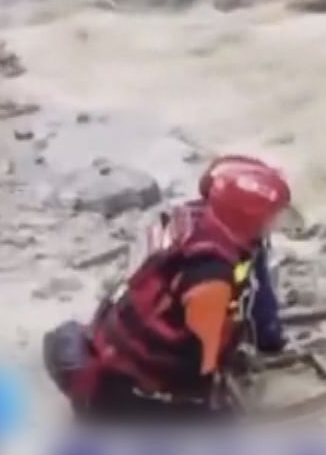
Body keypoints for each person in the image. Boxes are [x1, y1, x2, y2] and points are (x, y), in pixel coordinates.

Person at [46, 155, 293, 423]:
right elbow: (203, 367)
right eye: (272, 215)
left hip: (110, 350)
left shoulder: (196, 218)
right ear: (248, 218)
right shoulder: (210, 277)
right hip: (125, 387)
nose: (275, 222)